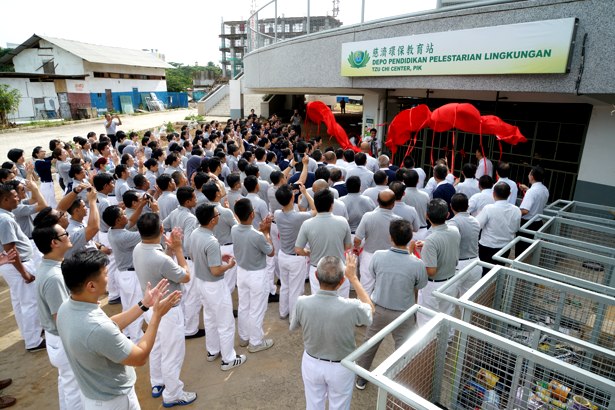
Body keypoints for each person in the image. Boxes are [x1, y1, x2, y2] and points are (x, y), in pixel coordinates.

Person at [57, 250, 181, 409]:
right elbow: (140, 357)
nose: (108, 278)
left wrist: (144, 305)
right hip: (114, 402)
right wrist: (157, 315)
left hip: (95, 397)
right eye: (105, 274)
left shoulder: (67, 308)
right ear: (91, 285)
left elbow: (108, 325)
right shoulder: (96, 328)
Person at [290, 254, 373, 410]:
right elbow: (370, 311)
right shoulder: (352, 306)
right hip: (341, 366)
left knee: (313, 405)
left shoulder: (302, 302)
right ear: (342, 281)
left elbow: (293, 326)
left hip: (312, 362)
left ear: (315, 275)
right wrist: (354, 278)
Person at [132, 213, 197, 407]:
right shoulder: (160, 258)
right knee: (173, 352)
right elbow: (185, 276)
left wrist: (168, 250)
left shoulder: (138, 248)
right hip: (168, 310)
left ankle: (157, 383)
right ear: (161, 230)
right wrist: (178, 249)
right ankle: (173, 393)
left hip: (151, 307)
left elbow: (161, 266)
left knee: (157, 346)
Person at [355, 219, 427, 390]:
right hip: (404, 313)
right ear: (410, 238)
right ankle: (401, 381)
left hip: (379, 308)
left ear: (390, 238)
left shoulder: (379, 255)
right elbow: (421, 284)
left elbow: (373, 273)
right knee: (404, 348)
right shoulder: (417, 263)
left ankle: (361, 377)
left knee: (370, 343)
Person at [32, 222, 83, 410]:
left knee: (67, 383)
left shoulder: (49, 266)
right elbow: (61, 317)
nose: (68, 236)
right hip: (62, 338)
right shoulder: (54, 277)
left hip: (56, 338)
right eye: (65, 234)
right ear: (54, 242)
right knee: (74, 388)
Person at [190, 204, 247, 371]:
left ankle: (213, 350)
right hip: (214, 285)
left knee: (209, 317)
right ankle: (228, 359)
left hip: (201, 282)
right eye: (217, 214)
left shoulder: (195, 233)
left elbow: (197, 255)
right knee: (225, 322)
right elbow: (215, 270)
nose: (219, 216)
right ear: (212, 220)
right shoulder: (212, 241)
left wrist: (220, 256)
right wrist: (228, 266)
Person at [0, 184, 45, 352]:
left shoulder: (5, 215)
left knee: (20, 301)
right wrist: (24, 272)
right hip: (17, 265)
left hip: (12, 266)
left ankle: (29, 334)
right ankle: (33, 341)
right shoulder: (4, 219)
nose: (18, 198)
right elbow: (10, 249)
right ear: (5, 199)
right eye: (14, 196)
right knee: (30, 302)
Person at [231, 198, 275, 353]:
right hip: (256, 275)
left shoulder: (234, 229)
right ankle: (255, 342)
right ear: (252, 215)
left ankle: (244, 338)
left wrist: (261, 231)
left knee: (244, 306)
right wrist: (266, 232)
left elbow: (241, 224)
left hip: (242, 273)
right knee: (257, 308)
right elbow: (271, 251)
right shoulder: (257, 235)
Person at [295, 189, 353, 297]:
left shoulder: (307, 224)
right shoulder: (343, 221)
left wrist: (309, 253)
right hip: (339, 268)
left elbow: (298, 249)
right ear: (332, 205)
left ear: (315, 205)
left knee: (319, 305)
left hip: (317, 270)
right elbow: (348, 246)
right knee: (343, 305)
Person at [416, 199, 460, 327]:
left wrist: (416, 263)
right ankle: (445, 342)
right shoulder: (454, 230)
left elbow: (431, 271)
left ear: (427, 216)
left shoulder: (431, 240)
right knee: (446, 316)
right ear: (447, 215)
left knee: (427, 321)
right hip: (451, 281)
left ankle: (429, 347)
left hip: (433, 286)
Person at [274, 184, 314, 320]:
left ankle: (283, 312)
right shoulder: (299, 217)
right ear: (292, 197)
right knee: (296, 290)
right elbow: (315, 209)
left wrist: (292, 198)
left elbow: (284, 207)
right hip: (295, 258)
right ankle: (294, 318)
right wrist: (305, 192)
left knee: (285, 286)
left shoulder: (277, 214)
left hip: (283, 255)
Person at [353, 189, 401, 296]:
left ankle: (363, 310)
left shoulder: (368, 216)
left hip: (369, 256)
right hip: (390, 258)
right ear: (393, 204)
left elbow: (357, 239)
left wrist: (357, 247)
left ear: (377, 201)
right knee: (386, 288)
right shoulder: (398, 221)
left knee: (365, 287)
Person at [477, 182, 521, 276]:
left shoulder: (489, 208)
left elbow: (478, 225)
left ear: (493, 194)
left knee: (484, 271)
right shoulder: (516, 210)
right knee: (498, 272)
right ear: (509, 194)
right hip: (505, 247)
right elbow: (516, 228)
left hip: (487, 246)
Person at [448, 193, 482, 297]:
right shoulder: (476, 221)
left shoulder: (452, 223)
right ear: (467, 206)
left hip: (459, 265)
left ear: (451, 206)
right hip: (476, 263)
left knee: (450, 300)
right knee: (468, 301)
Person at [516, 166, 549, 256]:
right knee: (530, 250)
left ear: (532, 177)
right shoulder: (545, 189)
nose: (528, 175)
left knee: (521, 252)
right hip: (538, 222)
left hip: (527, 224)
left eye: (530, 173)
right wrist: (528, 189)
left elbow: (525, 210)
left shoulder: (532, 192)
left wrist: (513, 212)